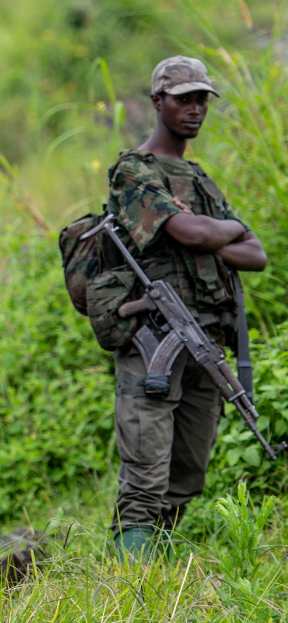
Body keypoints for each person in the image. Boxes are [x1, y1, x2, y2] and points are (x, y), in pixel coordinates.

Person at [108, 57, 267, 559]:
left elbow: (256, 254)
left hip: (206, 340)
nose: (195, 109)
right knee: (145, 473)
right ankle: (127, 587)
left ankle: (160, 573)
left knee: (187, 473)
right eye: (184, 98)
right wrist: (217, 233)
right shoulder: (134, 171)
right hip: (153, 336)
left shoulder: (198, 179)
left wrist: (208, 237)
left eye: (202, 99)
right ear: (158, 102)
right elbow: (190, 232)